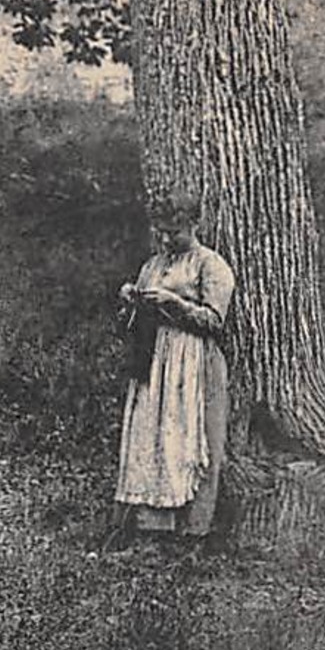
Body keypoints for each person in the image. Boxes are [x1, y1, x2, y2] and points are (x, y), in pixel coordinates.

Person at [113, 194, 235, 539]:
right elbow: (132, 323)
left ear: (194, 225)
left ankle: (190, 528)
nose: (167, 240)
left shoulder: (210, 265)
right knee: (151, 436)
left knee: (186, 439)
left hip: (191, 364)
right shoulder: (152, 265)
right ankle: (152, 525)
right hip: (152, 362)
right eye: (162, 232)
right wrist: (130, 304)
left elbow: (214, 321)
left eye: (175, 232)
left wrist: (175, 303)